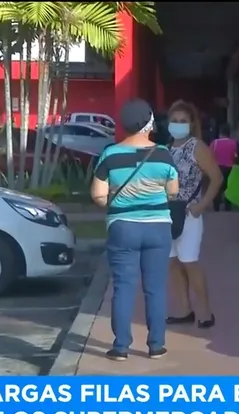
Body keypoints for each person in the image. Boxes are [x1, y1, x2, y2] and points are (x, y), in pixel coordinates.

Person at [90, 99, 178, 361]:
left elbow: (97, 195)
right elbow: (173, 192)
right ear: (150, 123)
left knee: (123, 287)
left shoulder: (110, 154)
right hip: (158, 229)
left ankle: (121, 346)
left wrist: (120, 204)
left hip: (122, 228)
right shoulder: (163, 153)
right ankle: (156, 345)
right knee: (155, 287)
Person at [164, 100, 223, 329]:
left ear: (191, 124)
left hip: (189, 213)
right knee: (173, 263)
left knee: (189, 261)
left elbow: (217, 178)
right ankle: (184, 309)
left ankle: (205, 312)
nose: (178, 125)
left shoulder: (196, 147)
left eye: (183, 121)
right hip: (168, 213)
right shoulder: (168, 149)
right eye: (174, 121)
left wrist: (203, 204)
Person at [210, 123, 238, 211]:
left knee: (217, 187)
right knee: (228, 187)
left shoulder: (215, 143)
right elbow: (236, 156)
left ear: (220, 133)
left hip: (217, 168)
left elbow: (209, 155)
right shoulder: (234, 143)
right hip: (230, 168)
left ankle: (216, 207)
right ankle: (227, 206)